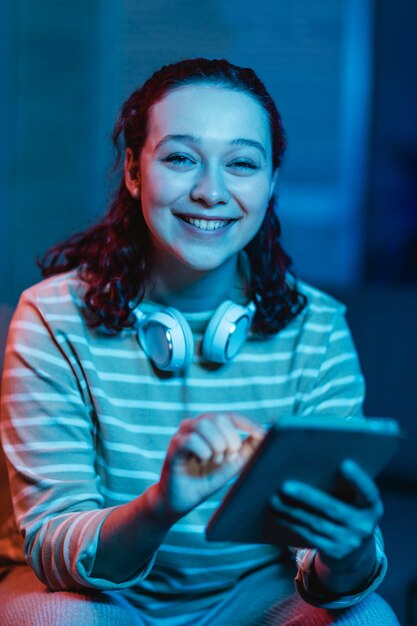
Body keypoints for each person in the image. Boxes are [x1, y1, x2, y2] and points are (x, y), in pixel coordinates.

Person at [0, 58, 399, 625]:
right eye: (182, 158)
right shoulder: (52, 316)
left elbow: (330, 571)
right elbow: (54, 545)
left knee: (369, 617)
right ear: (135, 172)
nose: (211, 192)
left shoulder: (318, 327)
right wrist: (160, 506)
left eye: (241, 164)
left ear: (270, 184)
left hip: (256, 596)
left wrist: (348, 555)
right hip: (101, 597)